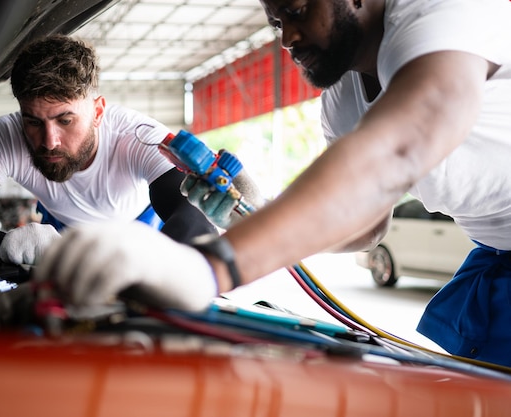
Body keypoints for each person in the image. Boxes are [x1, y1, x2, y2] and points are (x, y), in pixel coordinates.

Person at [34, 0, 511, 368]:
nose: (288, 38)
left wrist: (210, 268)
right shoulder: (342, 100)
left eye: (299, 11)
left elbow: (399, 147)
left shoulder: (444, 14)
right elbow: (367, 224)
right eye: (277, 21)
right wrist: (257, 213)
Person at [0, 34, 247, 265]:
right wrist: (3, 243)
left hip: (139, 224)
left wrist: (154, 265)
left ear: (98, 111)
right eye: (33, 121)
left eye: (65, 120)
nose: (49, 141)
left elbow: (192, 221)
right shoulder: (6, 134)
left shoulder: (139, 136)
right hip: (58, 229)